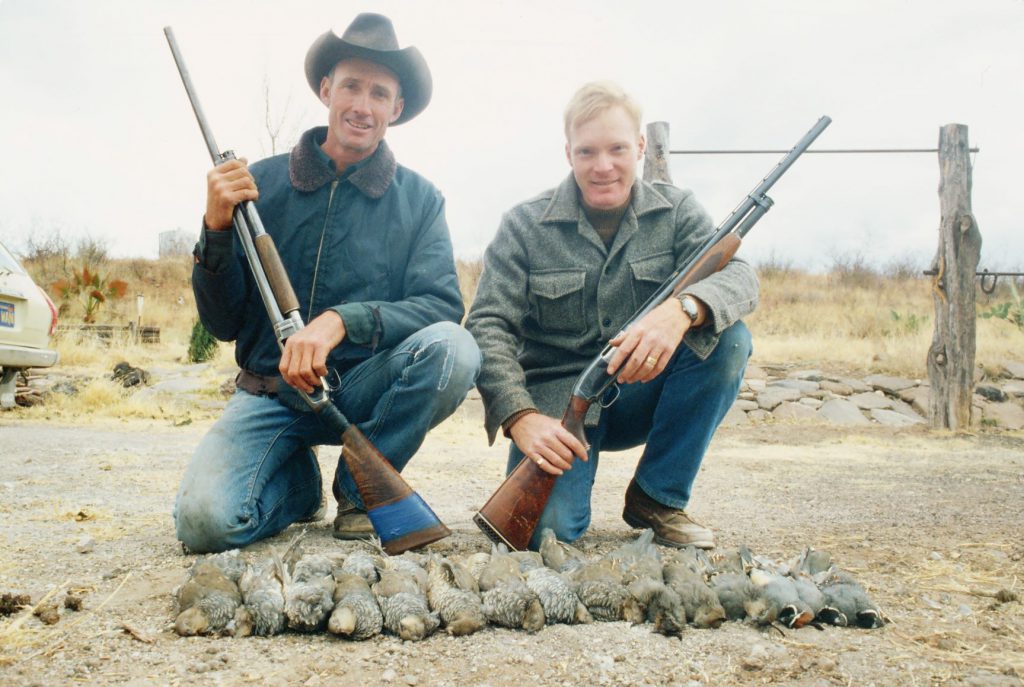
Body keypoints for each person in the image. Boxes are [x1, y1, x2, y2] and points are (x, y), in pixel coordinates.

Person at [174, 14, 480, 553]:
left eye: (379, 93)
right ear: (325, 90)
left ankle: (360, 492)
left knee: (456, 349)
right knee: (205, 526)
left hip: (362, 391)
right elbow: (221, 325)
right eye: (351, 86)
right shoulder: (256, 186)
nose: (363, 105)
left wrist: (342, 322)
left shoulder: (421, 199)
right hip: (268, 393)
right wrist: (216, 228)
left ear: (396, 108)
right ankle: (298, 486)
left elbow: (440, 305)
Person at [465, 82, 757, 551]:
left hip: (643, 392)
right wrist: (519, 416)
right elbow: (487, 325)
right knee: (549, 537)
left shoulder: (678, 210)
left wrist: (683, 311)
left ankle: (657, 497)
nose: (603, 166)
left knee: (729, 339)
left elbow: (740, 278)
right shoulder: (522, 224)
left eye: (618, 148)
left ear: (640, 147)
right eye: (587, 152)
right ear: (568, 154)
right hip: (559, 412)